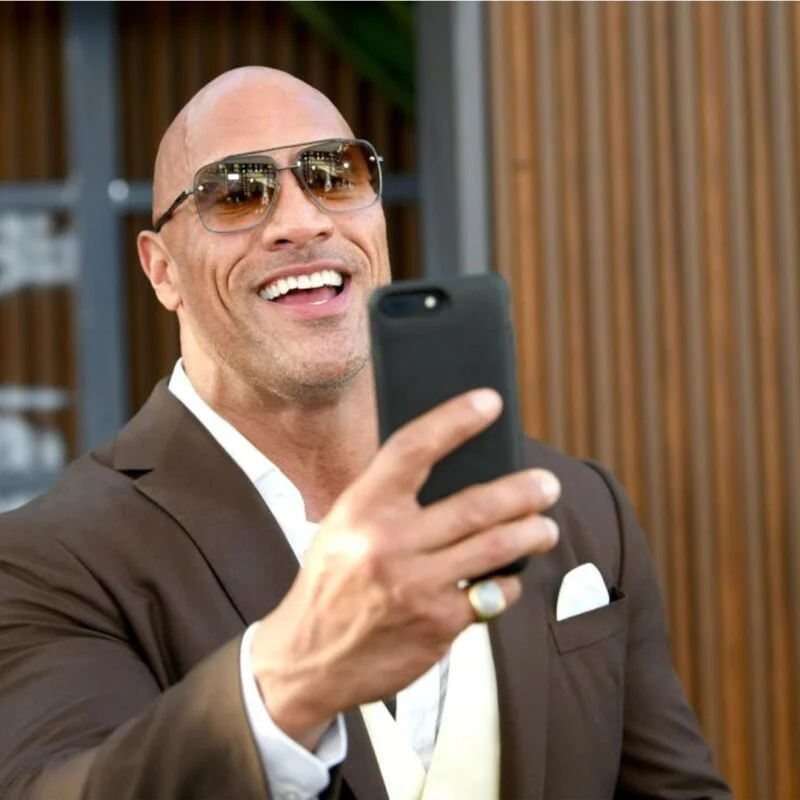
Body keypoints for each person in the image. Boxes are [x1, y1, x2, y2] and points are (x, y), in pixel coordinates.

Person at [0, 66, 729, 800]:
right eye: (238, 193)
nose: (303, 220)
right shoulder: (48, 559)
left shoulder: (575, 506)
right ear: (163, 271)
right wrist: (290, 681)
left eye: (334, 175)